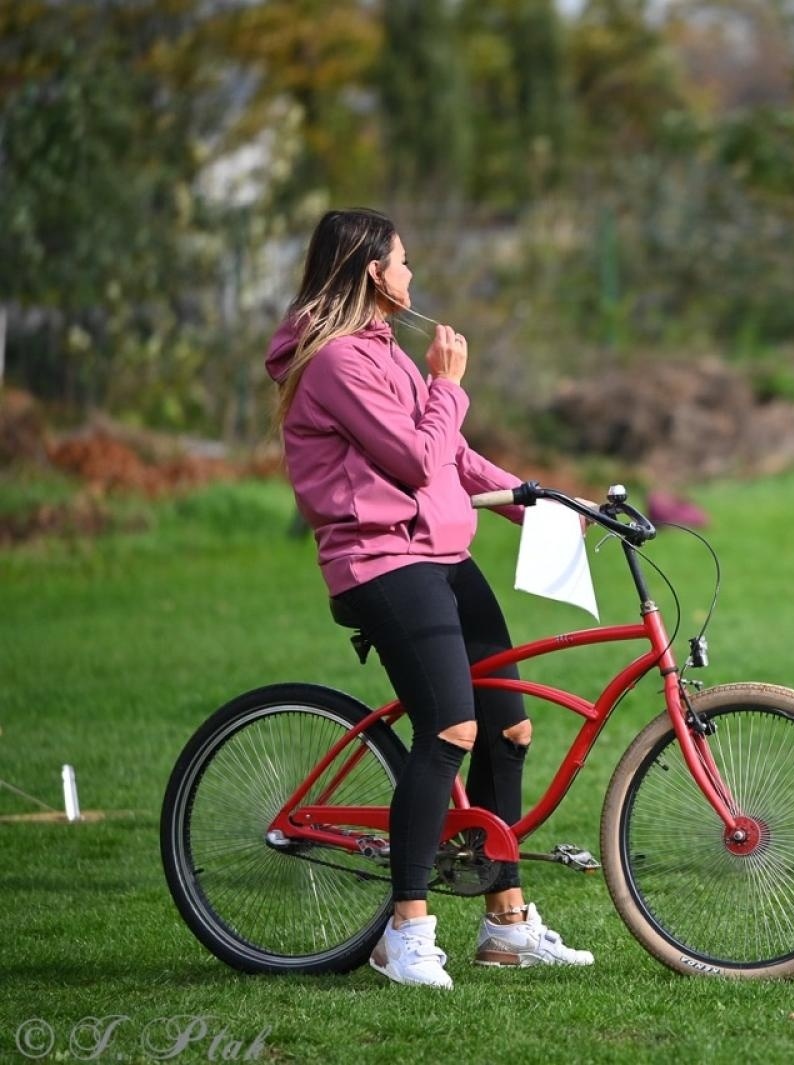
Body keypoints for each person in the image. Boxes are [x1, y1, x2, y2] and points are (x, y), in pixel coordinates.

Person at [265, 208, 594, 988]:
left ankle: (506, 922)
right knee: (448, 726)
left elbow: (453, 457)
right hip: (380, 563)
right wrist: (449, 384)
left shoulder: (386, 353)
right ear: (372, 273)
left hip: (442, 553)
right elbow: (417, 458)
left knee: (508, 729)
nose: (413, 276)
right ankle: (404, 931)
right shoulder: (337, 363)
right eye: (403, 262)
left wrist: (535, 499)